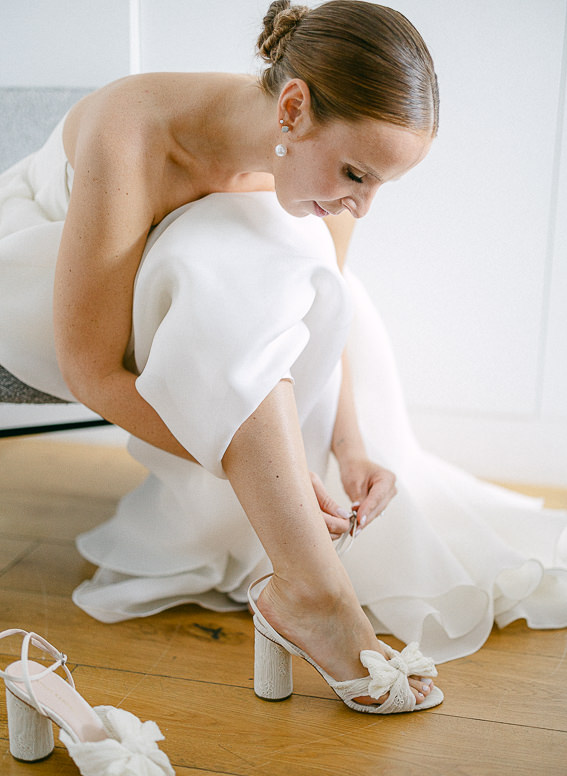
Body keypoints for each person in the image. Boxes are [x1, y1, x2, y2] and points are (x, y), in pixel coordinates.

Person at [0, 2, 565, 710]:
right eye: (356, 174)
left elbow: (335, 297)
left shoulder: (303, 179)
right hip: (45, 269)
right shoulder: (135, 133)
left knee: (265, 259)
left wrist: (348, 445)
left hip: (197, 301)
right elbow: (93, 371)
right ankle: (315, 590)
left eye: (379, 185)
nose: (361, 206)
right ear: (292, 109)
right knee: (229, 261)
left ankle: (307, 582)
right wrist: (285, 475)